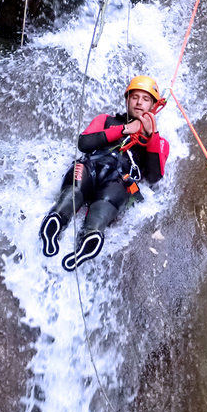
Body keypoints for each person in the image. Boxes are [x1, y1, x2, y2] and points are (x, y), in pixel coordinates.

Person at [40, 75, 170, 271]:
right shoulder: (106, 120)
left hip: (119, 181)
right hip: (90, 167)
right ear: (127, 100)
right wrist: (126, 129)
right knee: (75, 189)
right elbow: (84, 143)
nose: (139, 102)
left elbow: (153, 177)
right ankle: (56, 220)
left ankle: (90, 237)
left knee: (107, 202)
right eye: (135, 97)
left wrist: (151, 136)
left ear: (153, 106)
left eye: (145, 99)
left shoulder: (159, 142)